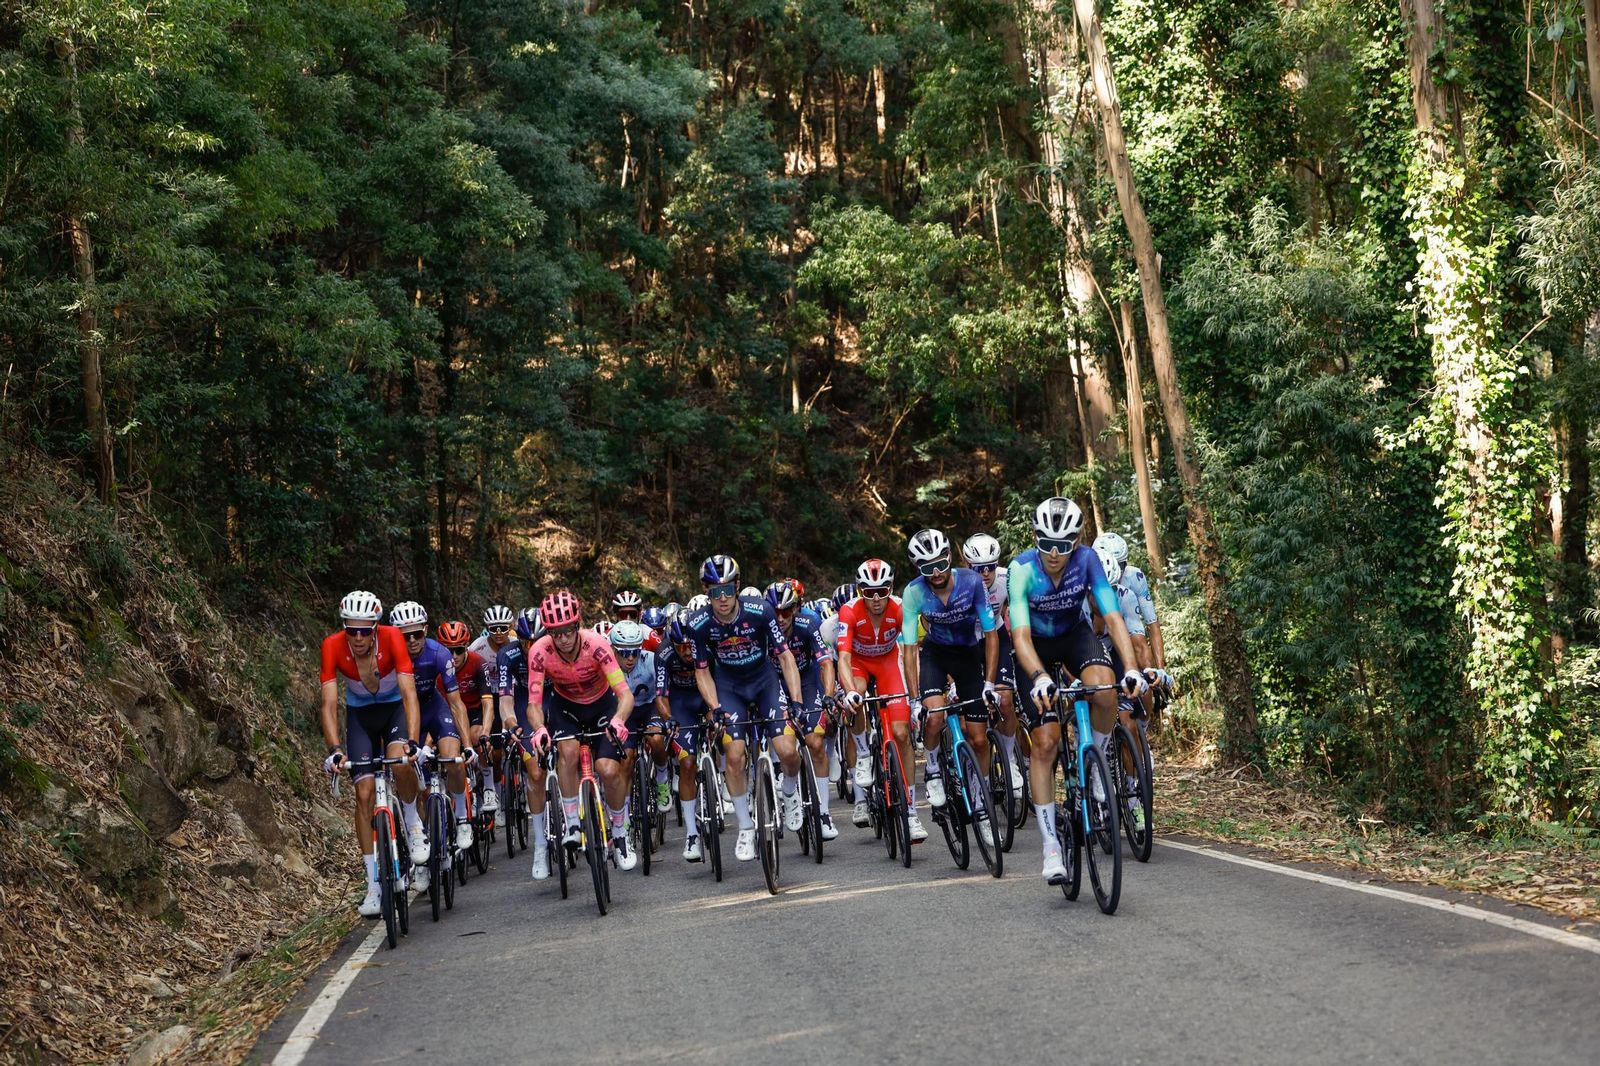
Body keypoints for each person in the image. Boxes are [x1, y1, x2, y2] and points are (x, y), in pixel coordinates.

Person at [1009, 498, 1149, 883]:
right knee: (1046, 742)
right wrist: (1039, 676)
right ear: (1035, 538)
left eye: (1064, 544)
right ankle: (1051, 846)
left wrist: (1133, 669)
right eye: (1046, 543)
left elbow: (1113, 616)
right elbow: (1019, 635)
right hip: (1033, 646)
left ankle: (1097, 760)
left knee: (1106, 691)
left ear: (1077, 541)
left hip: (1074, 636)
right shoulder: (1020, 570)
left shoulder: (1086, 560)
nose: (1055, 554)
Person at [686, 555, 805, 862]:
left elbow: (786, 658)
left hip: (764, 681)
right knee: (735, 756)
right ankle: (746, 826)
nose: (722, 598)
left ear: (737, 587)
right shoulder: (698, 624)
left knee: (788, 751)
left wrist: (797, 701)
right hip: (729, 686)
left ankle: (789, 791)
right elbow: (701, 671)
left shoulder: (761, 611)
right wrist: (714, 708)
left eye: (727, 590)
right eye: (714, 592)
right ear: (706, 591)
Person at [318, 591, 425, 918]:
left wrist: (413, 740)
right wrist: (335, 749)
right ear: (345, 628)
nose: (360, 637)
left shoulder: (393, 638)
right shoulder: (332, 646)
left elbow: (409, 695)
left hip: (393, 710)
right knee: (363, 794)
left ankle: (412, 820)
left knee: (401, 761)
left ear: (377, 628)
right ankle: (374, 885)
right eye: (353, 630)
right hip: (361, 716)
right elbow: (329, 704)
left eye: (366, 630)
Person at [524, 590, 640, 870]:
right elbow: (534, 702)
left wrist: (619, 720)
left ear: (577, 625)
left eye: (567, 631)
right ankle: (573, 824)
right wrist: (539, 728)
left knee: (609, 769)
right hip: (565, 708)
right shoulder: (540, 651)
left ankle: (620, 833)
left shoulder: (597, 645)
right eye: (555, 633)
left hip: (602, 706)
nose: (562, 639)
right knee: (568, 751)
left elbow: (624, 694)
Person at [898, 530, 1000, 843]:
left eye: (941, 563)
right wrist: (915, 699)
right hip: (935, 656)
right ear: (918, 569)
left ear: (950, 559)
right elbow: (910, 648)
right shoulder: (914, 593)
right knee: (934, 716)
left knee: (979, 739)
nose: (937, 572)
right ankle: (931, 769)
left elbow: (991, 634)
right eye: (928, 568)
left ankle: (981, 800)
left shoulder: (970, 582)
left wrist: (989, 682)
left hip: (968, 655)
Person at [836, 560, 924, 841]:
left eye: (882, 590)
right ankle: (863, 752)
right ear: (860, 590)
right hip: (859, 665)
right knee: (857, 697)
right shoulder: (849, 611)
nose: (875, 598)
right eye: (869, 591)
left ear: (891, 588)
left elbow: (911, 652)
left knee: (901, 734)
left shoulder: (900, 608)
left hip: (887, 663)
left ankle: (911, 813)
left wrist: (916, 696)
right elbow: (844, 659)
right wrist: (849, 691)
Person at [390, 602, 476, 854]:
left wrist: (468, 746)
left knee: (453, 759)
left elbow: (456, 703)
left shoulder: (440, 654)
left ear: (426, 629)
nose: (413, 640)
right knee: (414, 782)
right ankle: (417, 838)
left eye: (418, 633)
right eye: (406, 636)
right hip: (404, 713)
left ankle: (461, 817)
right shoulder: (388, 659)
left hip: (434, 707)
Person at [766, 579, 840, 840]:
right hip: (776, 685)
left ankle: (823, 813)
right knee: (787, 749)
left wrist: (829, 695)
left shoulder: (809, 625)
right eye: (775, 611)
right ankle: (788, 789)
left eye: (786, 611)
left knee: (815, 743)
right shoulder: (762, 630)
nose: (781, 617)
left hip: (808, 682)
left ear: (795, 609)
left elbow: (826, 663)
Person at [962, 533, 1025, 797]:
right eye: (979, 568)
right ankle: (969, 767)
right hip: (965, 643)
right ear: (967, 566)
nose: (986, 573)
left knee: (1006, 700)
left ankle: (1009, 760)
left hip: (995, 637)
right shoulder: (957, 584)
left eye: (991, 566)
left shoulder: (1004, 578)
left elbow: (1017, 605)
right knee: (968, 722)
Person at [495, 607, 551, 880]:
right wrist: (510, 723)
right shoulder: (508, 654)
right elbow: (505, 699)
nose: (531, 648)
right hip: (525, 707)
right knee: (536, 772)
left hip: (555, 702)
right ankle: (540, 843)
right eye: (526, 642)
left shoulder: (556, 648)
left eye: (536, 641)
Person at [656, 616, 709, 861]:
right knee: (687, 763)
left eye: (690, 645)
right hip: (680, 703)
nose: (687, 652)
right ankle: (691, 834)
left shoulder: (706, 639)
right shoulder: (664, 651)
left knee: (727, 735)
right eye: (681, 647)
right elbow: (661, 695)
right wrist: (668, 718)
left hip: (707, 694)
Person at [437, 620, 499, 819]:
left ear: (466, 647)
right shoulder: (438, 668)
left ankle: (489, 788)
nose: (454, 656)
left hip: (475, 711)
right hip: (449, 713)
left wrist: (486, 734)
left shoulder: (478, 663)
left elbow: (488, 703)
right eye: (449, 651)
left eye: (459, 650)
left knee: (477, 738)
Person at [609, 619, 659, 842]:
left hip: (649, 707)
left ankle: (663, 775)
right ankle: (625, 812)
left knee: (656, 737)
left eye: (634, 652)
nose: (630, 658)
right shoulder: (606, 666)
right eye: (624, 653)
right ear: (613, 650)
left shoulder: (650, 661)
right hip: (625, 714)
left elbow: (664, 692)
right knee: (626, 759)